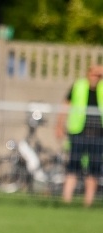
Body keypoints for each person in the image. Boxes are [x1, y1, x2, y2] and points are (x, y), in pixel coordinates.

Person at [56, 64, 103, 207]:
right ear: (88, 73)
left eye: (99, 75)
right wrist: (59, 124)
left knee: (94, 169)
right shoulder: (78, 86)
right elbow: (66, 104)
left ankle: (88, 204)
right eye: (94, 74)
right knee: (73, 166)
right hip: (78, 132)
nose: (96, 77)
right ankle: (66, 202)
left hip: (98, 134)